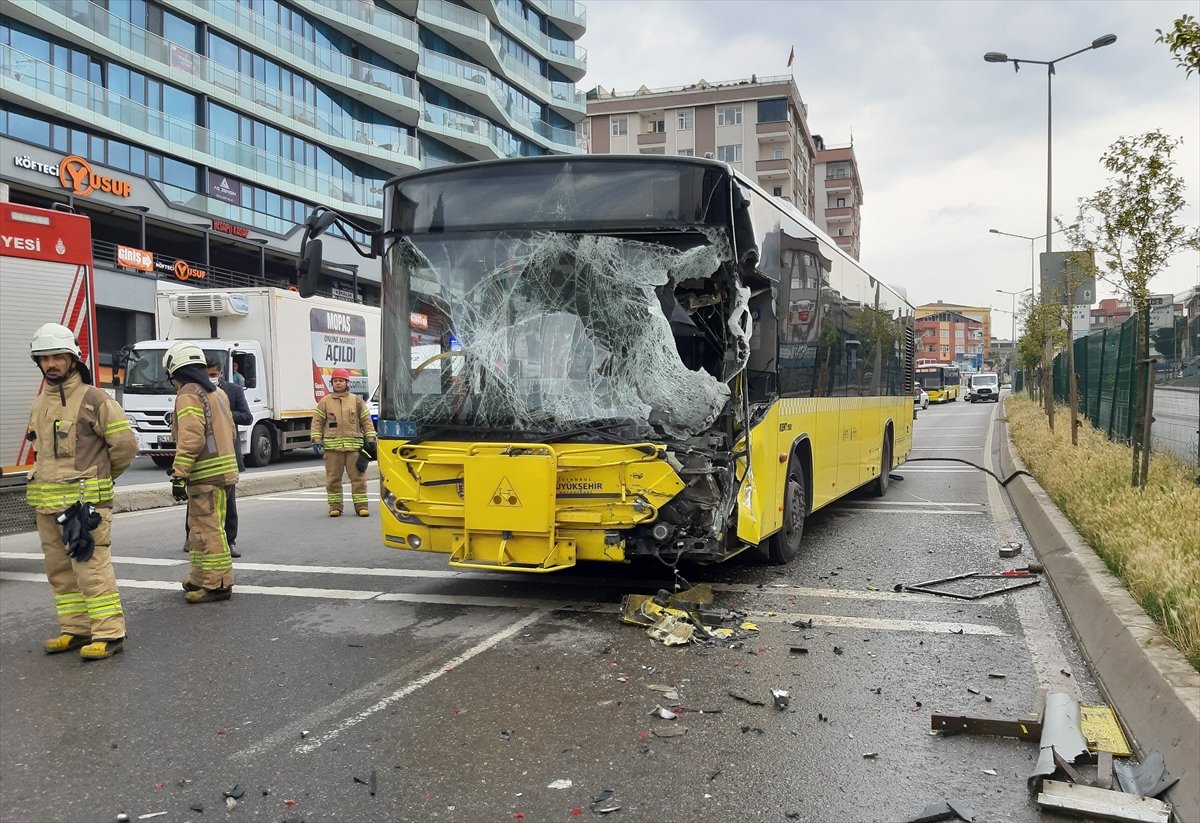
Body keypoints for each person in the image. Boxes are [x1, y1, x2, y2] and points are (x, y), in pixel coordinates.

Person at [25, 323, 138, 660]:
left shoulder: (95, 399)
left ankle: (109, 633)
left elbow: (125, 447)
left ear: (73, 358)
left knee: (91, 569)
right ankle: (74, 629)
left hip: (84, 506)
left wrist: (101, 479)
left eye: (57, 356)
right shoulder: (39, 403)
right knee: (60, 572)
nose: (51, 364)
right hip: (46, 505)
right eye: (44, 358)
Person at [164, 341, 238, 603]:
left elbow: (192, 438)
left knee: (209, 529)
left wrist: (179, 473)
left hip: (205, 474)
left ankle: (218, 584)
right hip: (220, 470)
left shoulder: (188, 394)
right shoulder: (216, 393)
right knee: (198, 528)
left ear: (175, 372)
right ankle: (199, 577)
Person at [183, 357, 250, 557]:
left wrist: (224, 413)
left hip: (227, 455)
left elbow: (247, 416)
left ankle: (230, 540)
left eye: (213, 375)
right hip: (204, 457)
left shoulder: (232, 391)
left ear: (220, 374)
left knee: (229, 503)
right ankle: (191, 538)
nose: (210, 379)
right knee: (195, 501)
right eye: (206, 375)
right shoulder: (193, 393)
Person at [311, 368, 376, 517]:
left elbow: (366, 421)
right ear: (332, 383)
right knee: (333, 479)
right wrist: (316, 439)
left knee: (358, 478)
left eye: (341, 381)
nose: (338, 383)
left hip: (354, 448)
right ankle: (335, 507)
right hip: (333, 450)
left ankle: (361, 507)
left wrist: (371, 438)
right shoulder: (325, 402)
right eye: (335, 381)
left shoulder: (356, 401)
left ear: (347, 382)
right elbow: (317, 422)